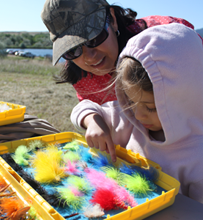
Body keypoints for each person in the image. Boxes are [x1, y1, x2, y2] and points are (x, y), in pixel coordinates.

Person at [70, 23, 203, 203]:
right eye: (131, 101)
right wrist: (93, 121)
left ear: (185, 98)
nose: (138, 115)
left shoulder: (198, 157)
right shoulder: (128, 117)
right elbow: (83, 108)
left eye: (151, 107)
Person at [41, 0, 202, 105]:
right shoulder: (79, 71)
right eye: (72, 49)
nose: (89, 57)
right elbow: (94, 108)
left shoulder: (168, 38)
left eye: (93, 38)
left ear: (112, 19)